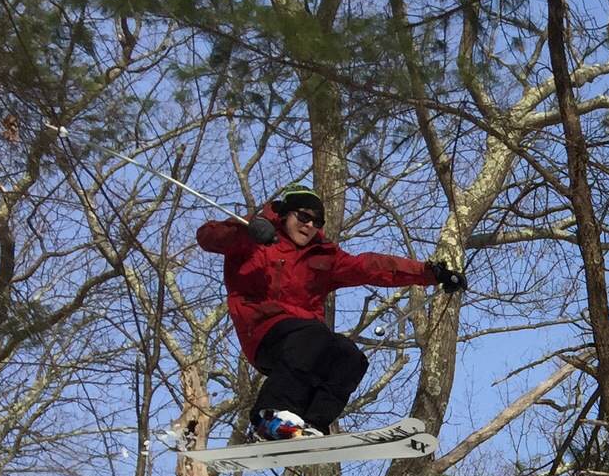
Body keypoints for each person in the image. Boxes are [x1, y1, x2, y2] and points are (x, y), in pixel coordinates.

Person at [196, 184, 466, 441]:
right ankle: (270, 415)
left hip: (305, 341)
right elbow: (208, 237)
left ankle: (312, 422)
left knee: (348, 356)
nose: (309, 226)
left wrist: (430, 273)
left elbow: (371, 267)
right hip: (263, 331)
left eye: (317, 222)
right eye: (303, 216)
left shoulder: (323, 256)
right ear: (286, 213)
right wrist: (247, 229)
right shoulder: (254, 240)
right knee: (311, 335)